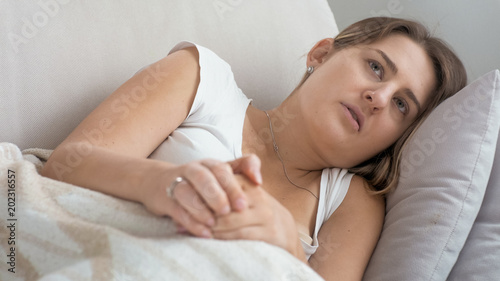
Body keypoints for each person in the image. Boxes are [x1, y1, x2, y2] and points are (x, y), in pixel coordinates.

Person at [41, 17, 466, 280]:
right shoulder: (202, 80)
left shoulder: (351, 201)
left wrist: (288, 246)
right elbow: (63, 166)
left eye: (401, 104)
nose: (379, 96)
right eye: (376, 67)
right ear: (321, 54)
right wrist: (161, 182)